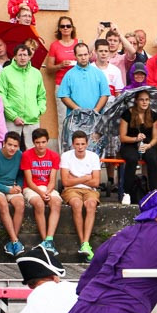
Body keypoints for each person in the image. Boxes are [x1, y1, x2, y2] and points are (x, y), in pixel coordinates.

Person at [60, 130, 101, 261]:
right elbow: (65, 182)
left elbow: (96, 181)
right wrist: (84, 177)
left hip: (90, 189)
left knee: (91, 204)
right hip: (71, 189)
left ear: (87, 144)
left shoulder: (93, 156)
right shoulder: (66, 156)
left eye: (83, 144)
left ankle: (85, 243)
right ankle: (84, 243)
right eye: (77, 144)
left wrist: (75, 178)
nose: (80, 147)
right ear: (72, 144)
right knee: (76, 204)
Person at [21, 127, 63, 253]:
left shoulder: (54, 156)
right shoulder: (27, 155)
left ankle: (49, 239)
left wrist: (48, 192)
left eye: (43, 142)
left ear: (47, 141)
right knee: (39, 204)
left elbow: (52, 179)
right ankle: (45, 240)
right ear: (34, 142)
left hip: (47, 187)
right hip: (31, 187)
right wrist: (41, 193)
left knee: (56, 203)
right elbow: (29, 181)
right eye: (38, 142)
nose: (41, 145)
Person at [117, 89, 157, 206]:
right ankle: (127, 192)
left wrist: (149, 145)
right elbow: (122, 137)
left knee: (152, 159)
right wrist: (135, 139)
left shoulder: (153, 115)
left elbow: (155, 138)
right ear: (136, 101)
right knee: (132, 159)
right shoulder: (127, 114)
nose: (144, 102)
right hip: (130, 143)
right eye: (141, 100)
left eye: (147, 100)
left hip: (147, 144)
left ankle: (153, 192)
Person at [0, 44, 47, 148]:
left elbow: (41, 95)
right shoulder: (6, 72)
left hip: (32, 118)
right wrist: (13, 116)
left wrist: (39, 111)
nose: (23, 58)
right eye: (20, 55)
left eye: (25, 55)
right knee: (11, 149)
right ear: (14, 56)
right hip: (12, 120)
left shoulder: (36, 73)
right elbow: (1, 95)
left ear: (30, 57)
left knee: (33, 149)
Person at [0, 131, 27, 256]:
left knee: (20, 204)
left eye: (15, 146)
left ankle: (12, 242)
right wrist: (8, 190)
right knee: (2, 203)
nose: (12, 148)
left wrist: (19, 186)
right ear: (3, 143)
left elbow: (20, 175)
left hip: (12, 185)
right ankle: (15, 240)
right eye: (9, 145)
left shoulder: (19, 155)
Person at [44, 16, 78, 124]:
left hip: (77, 83)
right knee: (63, 119)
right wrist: (60, 65)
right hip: (61, 84)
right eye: (62, 26)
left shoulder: (78, 43)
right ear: (59, 29)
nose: (65, 28)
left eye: (68, 26)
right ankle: (62, 141)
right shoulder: (55, 45)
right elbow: (49, 68)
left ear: (72, 28)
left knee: (78, 117)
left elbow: (86, 60)